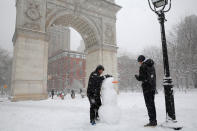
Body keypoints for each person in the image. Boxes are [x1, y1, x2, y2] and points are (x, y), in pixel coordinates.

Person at [135, 55, 157, 127]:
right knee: (152, 105)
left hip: (147, 88)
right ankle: (154, 121)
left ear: (141, 61)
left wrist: (137, 77)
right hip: (152, 87)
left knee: (149, 105)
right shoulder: (152, 66)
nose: (139, 63)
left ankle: (152, 122)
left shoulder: (143, 66)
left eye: (139, 62)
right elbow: (151, 77)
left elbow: (142, 78)